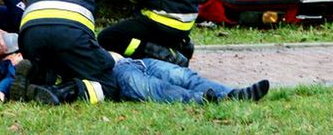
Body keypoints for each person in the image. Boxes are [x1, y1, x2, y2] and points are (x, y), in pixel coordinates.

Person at [112, 53, 270, 104]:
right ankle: (205, 99)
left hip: (134, 61)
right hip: (115, 73)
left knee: (185, 77)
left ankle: (234, 94)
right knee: (157, 88)